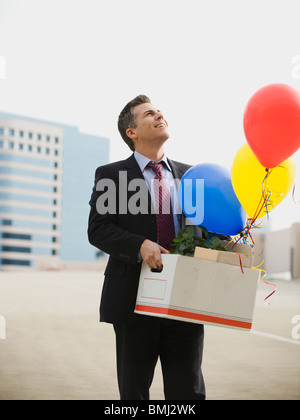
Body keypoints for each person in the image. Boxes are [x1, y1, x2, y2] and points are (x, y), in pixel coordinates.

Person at [88, 95, 205, 400]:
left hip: (183, 300)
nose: (159, 115)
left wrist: (234, 232)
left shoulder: (192, 176)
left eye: (160, 111)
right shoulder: (112, 176)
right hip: (133, 300)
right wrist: (139, 245)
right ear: (132, 132)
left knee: (188, 392)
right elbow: (98, 229)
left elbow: (205, 230)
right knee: (135, 392)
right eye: (149, 114)